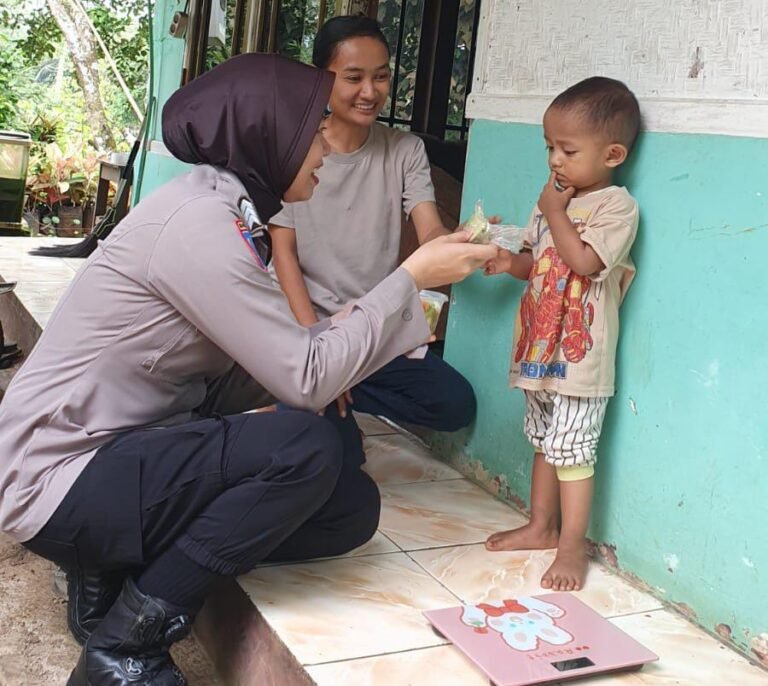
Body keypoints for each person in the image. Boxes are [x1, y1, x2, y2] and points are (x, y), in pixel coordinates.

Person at [0, 54, 497, 686]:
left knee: (348, 504)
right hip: (62, 473)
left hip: (126, 450)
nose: (325, 148)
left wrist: (324, 362)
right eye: (313, 130)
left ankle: (118, 567)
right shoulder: (200, 225)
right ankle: (127, 643)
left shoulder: (228, 210)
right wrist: (410, 279)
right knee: (305, 442)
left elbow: (280, 358)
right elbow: (304, 373)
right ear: (269, 136)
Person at [270, 16, 475, 464]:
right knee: (333, 456)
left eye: (380, 76)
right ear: (321, 78)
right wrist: (320, 355)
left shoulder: (404, 150)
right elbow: (283, 255)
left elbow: (430, 233)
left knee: (455, 404)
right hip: (310, 329)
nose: (370, 91)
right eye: (354, 77)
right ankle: (299, 393)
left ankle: (344, 391)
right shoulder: (294, 149)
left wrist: (462, 240)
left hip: (375, 331)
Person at [482, 77, 641, 592]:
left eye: (568, 149)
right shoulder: (551, 202)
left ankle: (572, 544)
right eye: (549, 147)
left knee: (573, 450)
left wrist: (554, 210)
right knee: (544, 442)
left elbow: (585, 261)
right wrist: (510, 262)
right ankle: (540, 525)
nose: (554, 160)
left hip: (581, 357)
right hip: (539, 350)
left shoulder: (616, 208)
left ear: (612, 153)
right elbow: (542, 264)